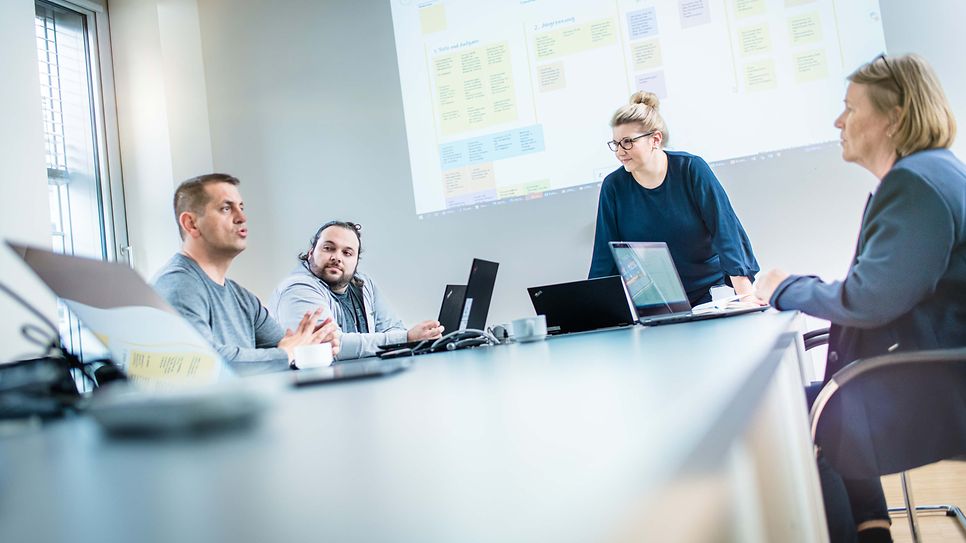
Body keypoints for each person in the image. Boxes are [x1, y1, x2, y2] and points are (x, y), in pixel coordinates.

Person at [756, 54, 965, 543]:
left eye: (850, 107)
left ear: (894, 117)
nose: (838, 120)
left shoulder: (915, 184)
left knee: (791, 418)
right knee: (824, 402)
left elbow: (868, 300)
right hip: (940, 372)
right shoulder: (933, 173)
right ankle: (873, 529)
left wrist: (783, 288)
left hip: (938, 390)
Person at [153, 173, 340, 375]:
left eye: (241, 207)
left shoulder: (243, 298)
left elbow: (287, 347)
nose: (242, 217)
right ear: (191, 223)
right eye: (226, 208)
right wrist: (288, 353)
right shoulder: (177, 285)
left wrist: (314, 345)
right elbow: (204, 362)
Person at [589, 91, 760, 305]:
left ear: (655, 139)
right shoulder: (613, 187)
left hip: (710, 295)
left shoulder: (691, 169)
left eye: (628, 142)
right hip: (655, 301)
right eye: (616, 144)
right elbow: (605, 258)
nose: (620, 152)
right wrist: (596, 310)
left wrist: (746, 297)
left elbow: (726, 232)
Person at [269, 221, 444, 360]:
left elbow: (392, 328)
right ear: (310, 253)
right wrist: (406, 338)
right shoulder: (298, 287)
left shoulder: (364, 284)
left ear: (356, 261)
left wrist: (410, 337)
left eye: (347, 253)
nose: (337, 257)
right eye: (328, 248)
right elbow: (331, 346)